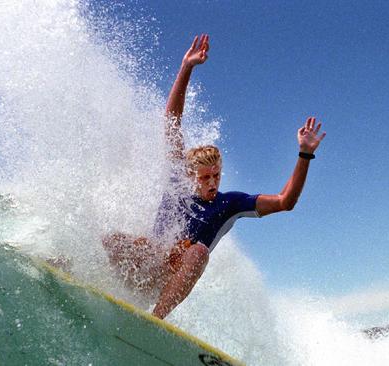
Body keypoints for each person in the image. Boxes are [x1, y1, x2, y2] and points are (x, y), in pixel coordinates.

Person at [103, 34, 326, 319]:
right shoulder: (176, 183)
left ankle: (154, 320)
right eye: (205, 177)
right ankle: (75, 272)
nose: (212, 183)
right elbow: (172, 119)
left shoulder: (228, 205)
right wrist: (186, 67)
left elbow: (285, 201)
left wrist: (304, 155)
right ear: (190, 175)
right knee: (112, 240)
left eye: (216, 176)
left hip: (164, 284)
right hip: (141, 271)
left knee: (196, 252)